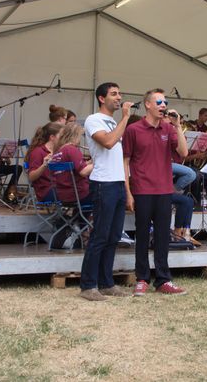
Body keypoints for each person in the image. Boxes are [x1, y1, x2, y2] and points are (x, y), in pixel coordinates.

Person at [124, 88, 188, 296]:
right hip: (142, 189)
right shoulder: (133, 129)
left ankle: (163, 279)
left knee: (162, 236)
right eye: (159, 102)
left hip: (164, 189)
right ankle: (142, 278)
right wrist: (128, 191)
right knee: (142, 235)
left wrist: (177, 126)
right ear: (148, 105)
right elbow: (125, 161)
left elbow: (183, 152)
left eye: (165, 102)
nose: (163, 105)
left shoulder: (168, 128)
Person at [79, 83, 133, 301]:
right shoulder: (94, 120)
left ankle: (106, 282)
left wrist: (127, 190)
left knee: (113, 236)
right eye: (114, 94)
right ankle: (88, 285)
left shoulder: (113, 122)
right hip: (103, 183)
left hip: (117, 183)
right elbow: (108, 142)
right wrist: (126, 117)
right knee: (100, 236)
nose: (119, 97)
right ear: (102, 98)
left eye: (120, 93)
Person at [26, 122, 63, 202]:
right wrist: (44, 165)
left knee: (84, 189)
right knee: (77, 193)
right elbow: (31, 177)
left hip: (60, 186)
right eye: (61, 136)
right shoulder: (38, 152)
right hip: (47, 191)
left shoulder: (59, 151)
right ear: (52, 137)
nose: (63, 138)